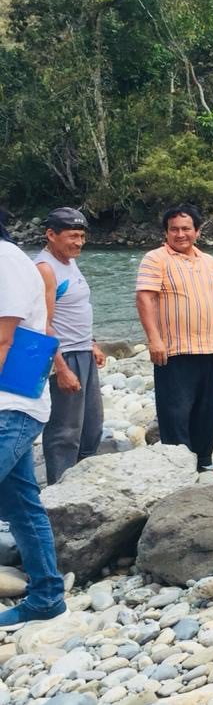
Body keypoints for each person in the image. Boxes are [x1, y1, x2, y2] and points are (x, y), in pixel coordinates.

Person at [0, 212, 67, 629]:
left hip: (13, 406)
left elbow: (5, 339)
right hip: (11, 404)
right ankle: (46, 596)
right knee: (22, 506)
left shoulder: (5, 259)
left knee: (22, 505)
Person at [135, 204, 213, 472]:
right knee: (175, 414)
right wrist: (153, 340)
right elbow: (145, 298)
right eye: (174, 229)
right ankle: (179, 470)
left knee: (207, 412)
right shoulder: (155, 259)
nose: (180, 234)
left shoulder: (209, 262)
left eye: (186, 228)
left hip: (207, 349)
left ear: (197, 231)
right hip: (172, 352)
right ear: (166, 233)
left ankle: (203, 464)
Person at [34, 207, 105, 483]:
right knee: (65, 431)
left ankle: (82, 483)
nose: (79, 242)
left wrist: (93, 342)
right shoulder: (45, 269)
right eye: (72, 236)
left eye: (82, 236)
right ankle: (60, 491)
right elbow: (43, 323)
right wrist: (61, 368)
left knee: (92, 426)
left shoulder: (69, 261)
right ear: (51, 235)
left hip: (83, 351)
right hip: (64, 356)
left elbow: (77, 308)